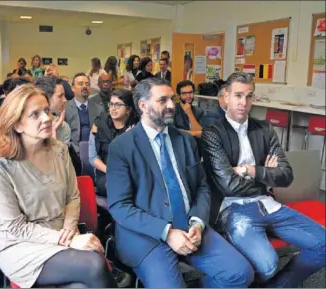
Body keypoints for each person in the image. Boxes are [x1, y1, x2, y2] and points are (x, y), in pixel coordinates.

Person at [106, 78, 254, 288]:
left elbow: (202, 186)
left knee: (240, 273)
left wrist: (197, 222)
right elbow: (119, 206)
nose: (171, 105)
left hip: (189, 226)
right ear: (143, 106)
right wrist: (166, 232)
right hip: (148, 235)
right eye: (162, 100)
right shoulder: (122, 147)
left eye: (172, 99)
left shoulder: (185, 140)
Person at [0, 84, 117, 288]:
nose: (47, 118)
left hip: (63, 231)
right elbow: (16, 228)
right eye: (35, 115)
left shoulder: (60, 150)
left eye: (46, 111)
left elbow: (72, 197)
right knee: (94, 265)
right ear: (17, 125)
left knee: (81, 286)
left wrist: (70, 228)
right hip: (23, 246)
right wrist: (68, 240)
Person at [201, 72, 326, 287]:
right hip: (233, 209)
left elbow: (286, 176)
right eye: (238, 96)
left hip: (268, 204)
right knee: (267, 264)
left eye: (249, 96)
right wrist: (267, 176)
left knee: (323, 244)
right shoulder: (213, 133)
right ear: (226, 97)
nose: (244, 102)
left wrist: (249, 170)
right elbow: (228, 186)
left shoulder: (265, 129)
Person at [89, 89, 138, 197]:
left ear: (128, 109)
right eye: (111, 104)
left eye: (118, 105)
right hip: (106, 173)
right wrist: (110, 171)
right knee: (117, 186)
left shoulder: (137, 127)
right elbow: (93, 157)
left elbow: (139, 159)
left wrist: (129, 139)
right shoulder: (99, 124)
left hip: (132, 172)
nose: (113, 108)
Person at [65, 73, 104, 155]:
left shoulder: (99, 108)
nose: (84, 86)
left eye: (87, 84)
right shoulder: (65, 108)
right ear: (72, 88)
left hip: (95, 152)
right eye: (80, 84)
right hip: (72, 152)